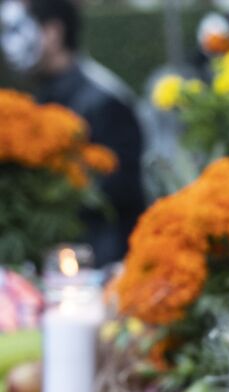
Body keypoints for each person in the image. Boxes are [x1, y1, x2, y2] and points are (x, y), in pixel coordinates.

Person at [1, 0, 145, 266]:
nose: (8, 45)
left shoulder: (105, 101)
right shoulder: (39, 98)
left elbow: (123, 194)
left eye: (18, 29)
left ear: (53, 32)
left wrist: (52, 190)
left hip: (96, 267)